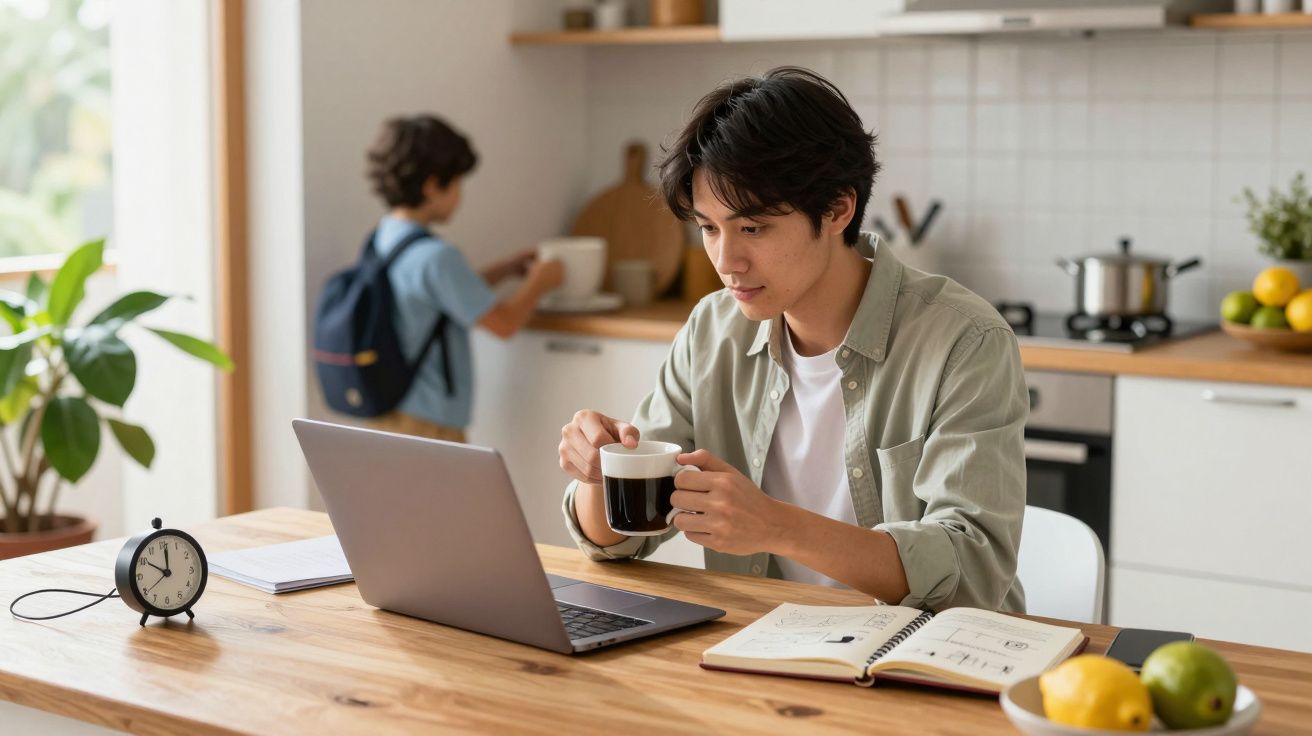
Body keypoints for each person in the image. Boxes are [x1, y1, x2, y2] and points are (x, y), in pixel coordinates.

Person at [557, 68, 1028, 613]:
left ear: (837, 209)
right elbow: (621, 542)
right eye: (709, 228)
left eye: (752, 228)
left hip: (928, 662)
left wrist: (774, 525)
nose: (726, 262)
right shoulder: (714, 330)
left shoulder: (964, 340)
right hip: (768, 653)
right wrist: (601, 472)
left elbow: (972, 572)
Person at [365, 114, 563, 443]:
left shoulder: (385, 238)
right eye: (457, 182)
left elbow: (436, 297)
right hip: (429, 423)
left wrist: (504, 269)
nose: (460, 194)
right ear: (432, 185)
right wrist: (541, 281)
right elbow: (503, 323)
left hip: (389, 409)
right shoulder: (437, 256)